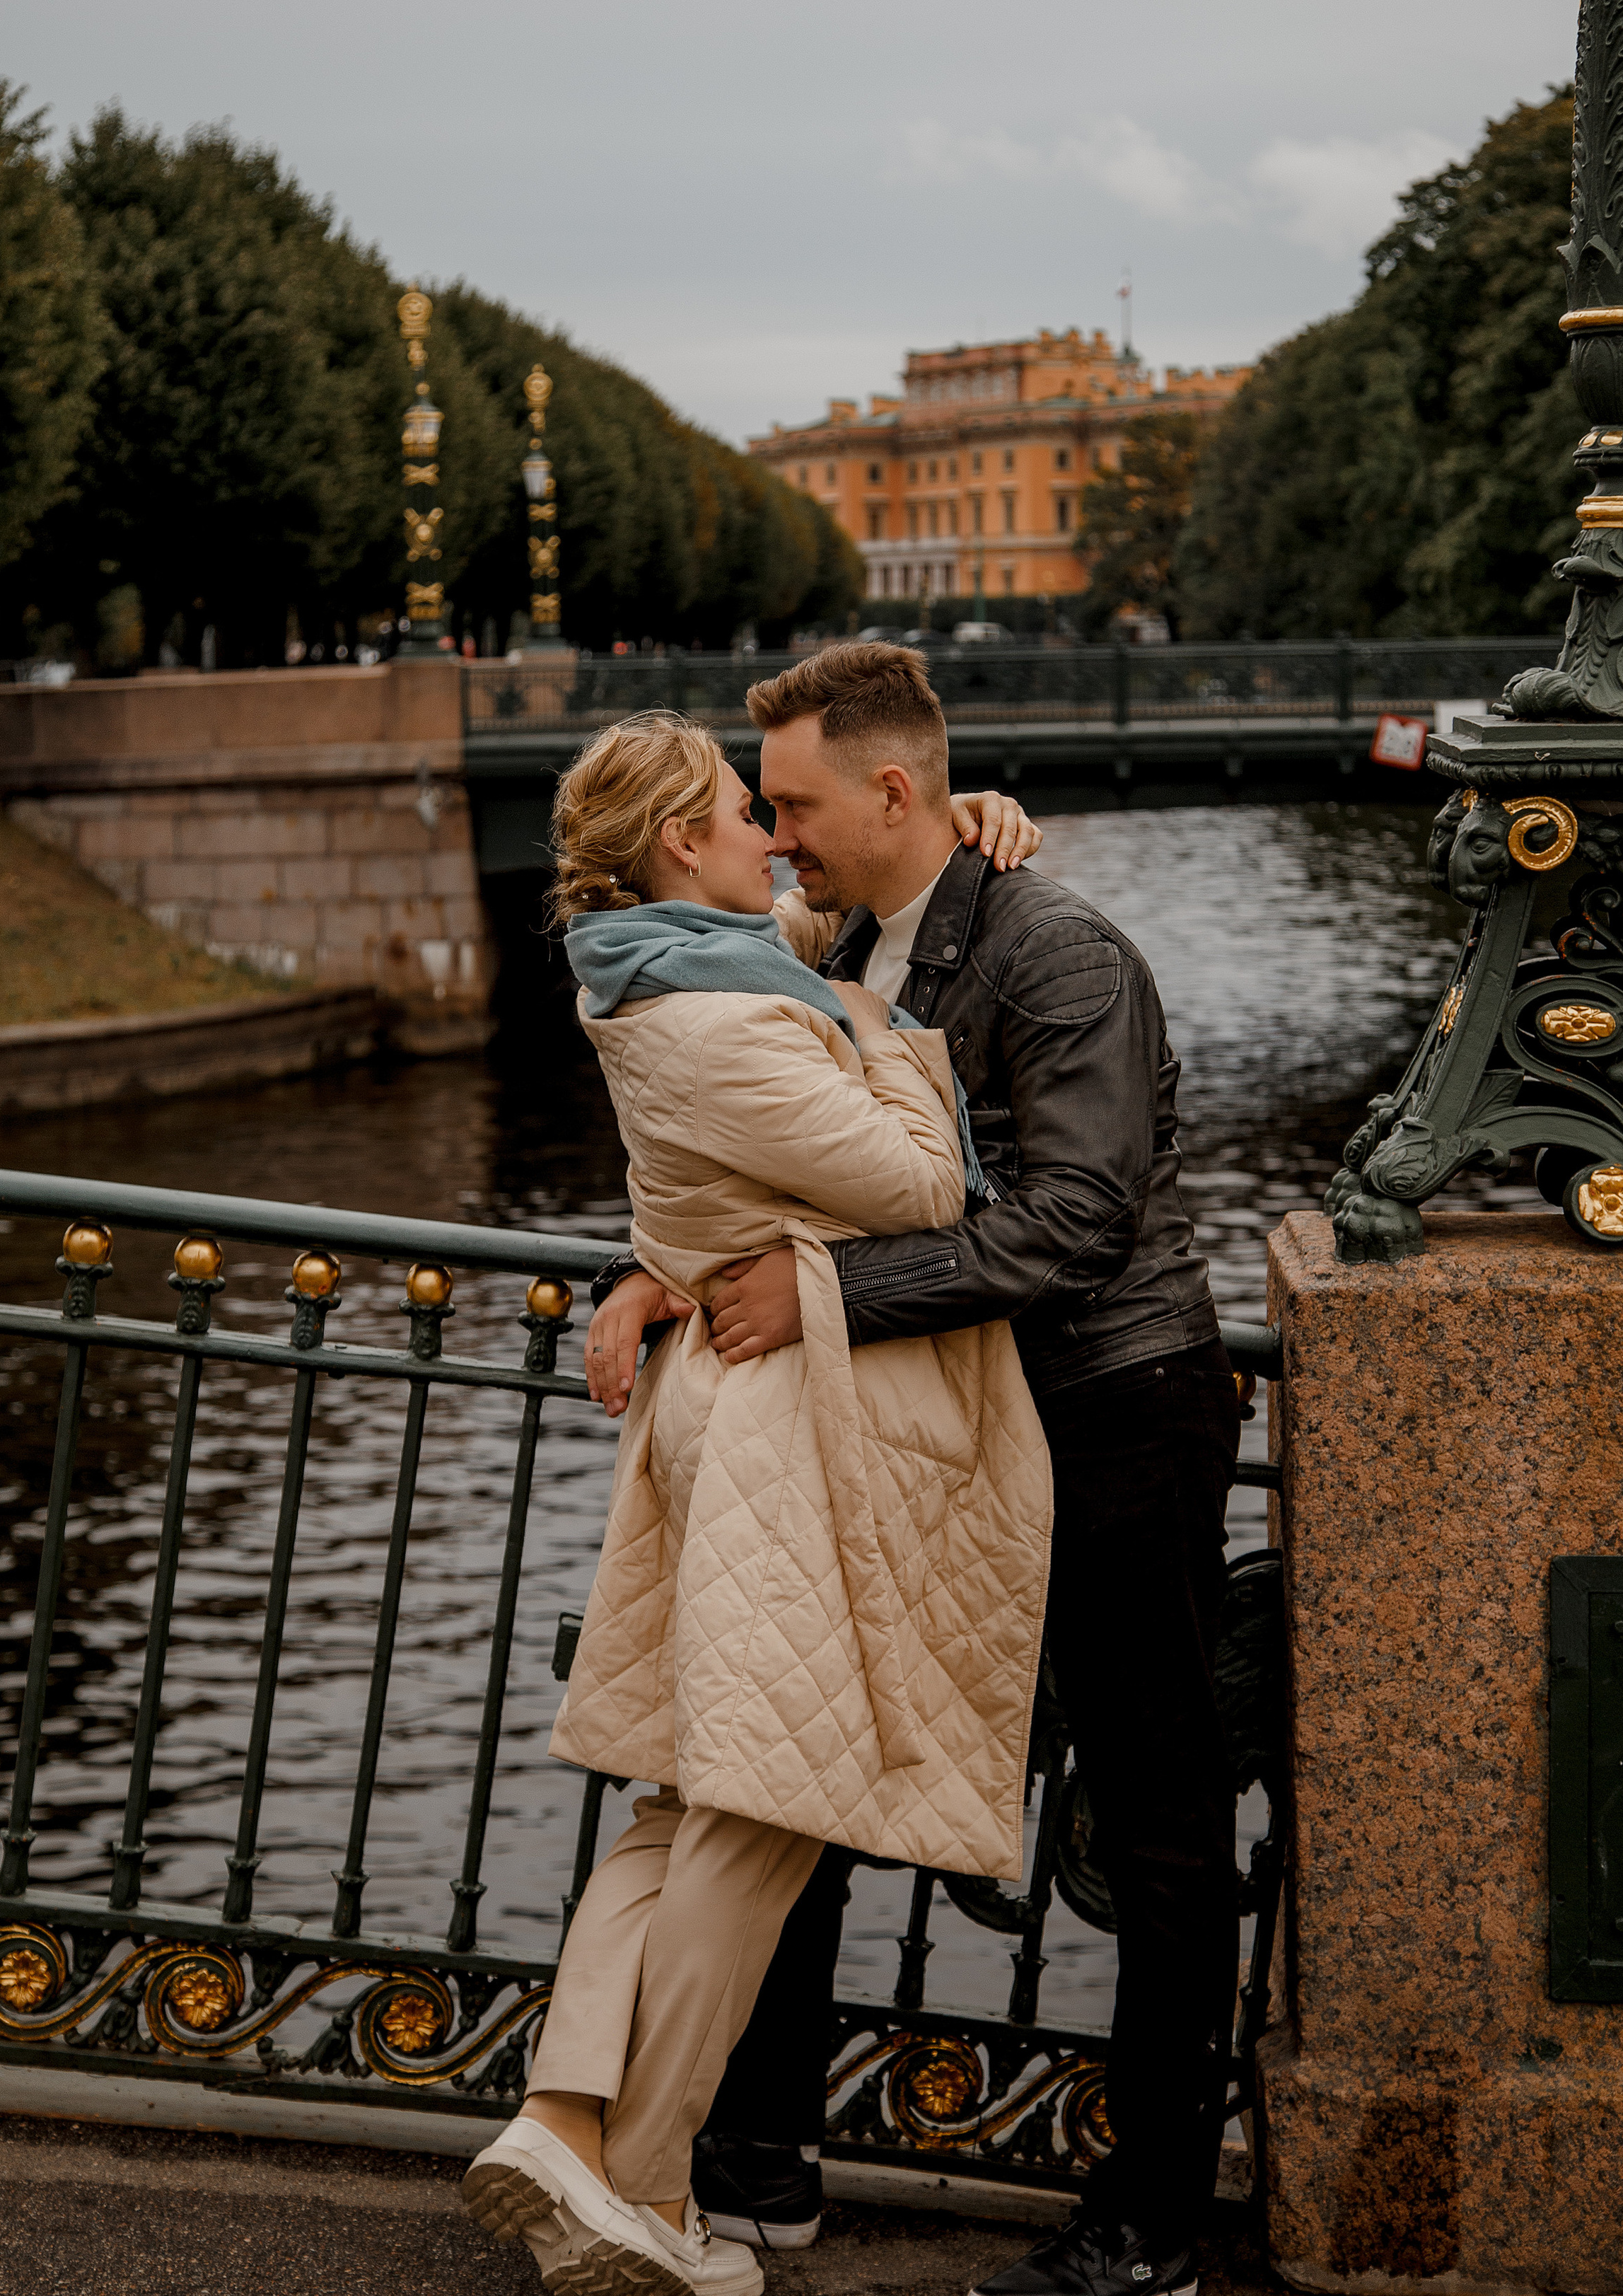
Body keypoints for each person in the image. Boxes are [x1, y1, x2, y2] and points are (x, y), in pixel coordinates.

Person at [588, 643, 1236, 2296]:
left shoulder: (1061, 951)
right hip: (946, 1420)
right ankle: (751, 2164)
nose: (775, 835)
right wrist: (662, 1267)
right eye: (760, 810)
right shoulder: (848, 936)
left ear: (891, 790)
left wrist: (818, 1301)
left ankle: (1153, 2214)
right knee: (803, 1770)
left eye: (792, 803)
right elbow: (758, 1131)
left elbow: (1081, 1220)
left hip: (1110, 1412)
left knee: (1155, 1817)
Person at [461, 710, 1054, 2296]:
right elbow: (925, 1186)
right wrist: (902, 1049)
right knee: (757, 1811)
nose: (774, 839)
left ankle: (565, 2118)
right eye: (744, 814)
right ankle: (640, 2182)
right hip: (784, 1440)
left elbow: (840, 908)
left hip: (728, 1419)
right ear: (678, 845)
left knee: (680, 1802)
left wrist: (950, 811)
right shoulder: (724, 1020)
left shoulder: (672, 957)